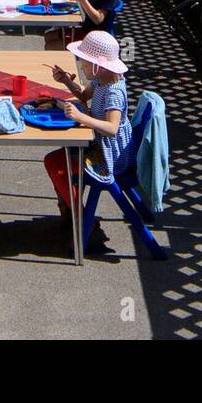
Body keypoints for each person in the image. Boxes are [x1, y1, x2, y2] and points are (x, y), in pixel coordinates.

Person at [42, 30, 132, 247]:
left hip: (109, 155)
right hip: (97, 143)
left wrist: (82, 117)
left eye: (84, 61)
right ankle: (70, 209)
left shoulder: (113, 91)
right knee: (60, 157)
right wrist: (66, 81)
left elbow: (111, 128)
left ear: (98, 65)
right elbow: (83, 94)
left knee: (56, 163)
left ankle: (82, 218)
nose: (80, 64)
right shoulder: (102, 79)